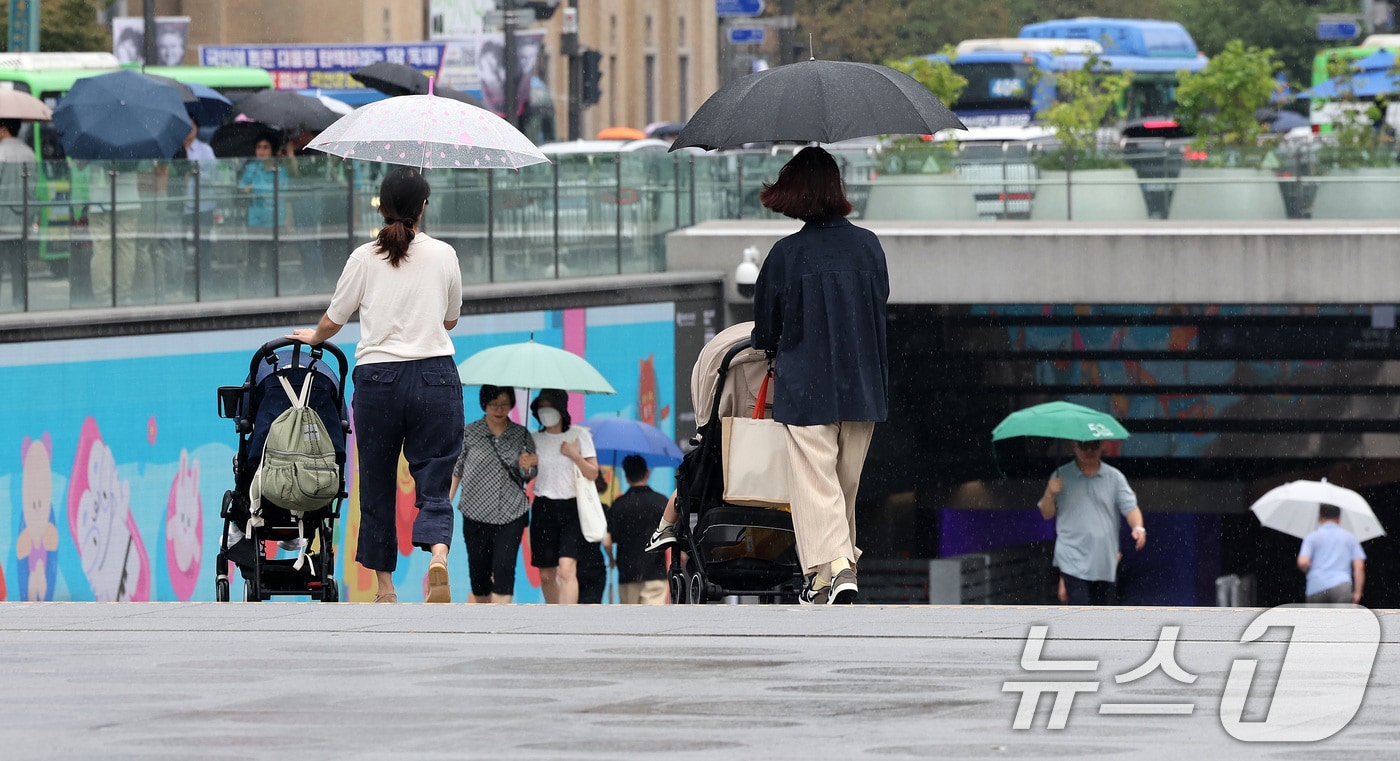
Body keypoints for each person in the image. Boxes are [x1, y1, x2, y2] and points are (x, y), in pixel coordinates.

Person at [287, 166, 464, 604]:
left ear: (382, 207)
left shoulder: (363, 258)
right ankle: (437, 555)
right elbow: (451, 318)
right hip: (435, 376)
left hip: (378, 381)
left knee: (379, 484)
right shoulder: (444, 254)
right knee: (435, 474)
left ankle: (385, 590)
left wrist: (314, 336)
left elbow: (335, 317)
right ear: (423, 207)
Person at [749, 146, 889, 606]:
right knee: (841, 487)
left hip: (806, 386)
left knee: (817, 484)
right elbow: (878, 302)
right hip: (863, 385)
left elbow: (765, 330)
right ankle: (836, 572)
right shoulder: (869, 245)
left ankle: (835, 567)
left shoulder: (785, 256)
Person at [449, 385, 537, 604]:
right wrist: (445, 502)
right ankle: (483, 620)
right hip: (475, 512)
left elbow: (529, 474)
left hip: (511, 513)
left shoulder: (521, 434)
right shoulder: (469, 433)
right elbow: (456, 471)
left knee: (505, 568)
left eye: (504, 404)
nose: (499, 409)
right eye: (494, 404)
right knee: (479, 574)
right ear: (484, 404)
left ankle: (501, 624)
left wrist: (528, 465)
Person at [1038, 439, 1146, 606]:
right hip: (1072, 557)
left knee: (1102, 615)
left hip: (1104, 558)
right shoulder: (1060, 476)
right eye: (1083, 446)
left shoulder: (1114, 477)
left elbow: (1130, 507)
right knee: (1079, 611)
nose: (1089, 450)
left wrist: (1138, 527)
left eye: (1094, 445)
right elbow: (1047, 513)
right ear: (1075, 447)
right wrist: (1049, 494)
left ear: (1101, 446)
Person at [527, 388, 599, 605]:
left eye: (549, 406)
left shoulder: (579, 435)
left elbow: (593, 473)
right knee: (546, 574)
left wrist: (575, 455)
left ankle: (569, 619)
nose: (545, 412)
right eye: (541, 408)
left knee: (567, 569)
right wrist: (527, 465)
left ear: (560, 408)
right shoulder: (533, 438)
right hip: (543, 507)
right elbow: (526, 474)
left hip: (571, 508)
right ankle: (554, 616)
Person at [608, 455, 669, 604]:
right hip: (656, 573)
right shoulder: (661, 502)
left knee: (630, 623)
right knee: (653, 623)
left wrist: (611, 559)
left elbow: (606, 541)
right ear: (647, 473)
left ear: (626, 477)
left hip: (628, 575)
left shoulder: (619, 504)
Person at [238, 135, 287, 294]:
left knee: (273, 258)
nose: (262, 151)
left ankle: (273, 288)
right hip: (255, 218)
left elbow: (284, 192)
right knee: (254, 256)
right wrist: (245, 189)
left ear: (272, 150)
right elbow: (241, 187)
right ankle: (253, 288)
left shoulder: (280, 169)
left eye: (265, 147)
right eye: (259, 147)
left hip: (274, 219)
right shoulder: (251, 168)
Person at [1298, 504, 1366, 605]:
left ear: (1319, 517)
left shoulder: (1312, 537)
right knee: (1341, 620)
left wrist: (1309, 570)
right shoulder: (1349, 537)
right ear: (1339, 518)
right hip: (1341, 587)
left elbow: (1303, 562)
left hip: (1316, 585)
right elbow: (1359, 566)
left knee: (1316, 620)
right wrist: (1357, 592)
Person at [0, 119, 34, 310]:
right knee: (19, 267)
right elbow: (34, 192)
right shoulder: (29, 153)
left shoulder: (1, 153)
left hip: (1, 223)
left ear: (4, 130)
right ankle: (20, 303)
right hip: (21, 223)